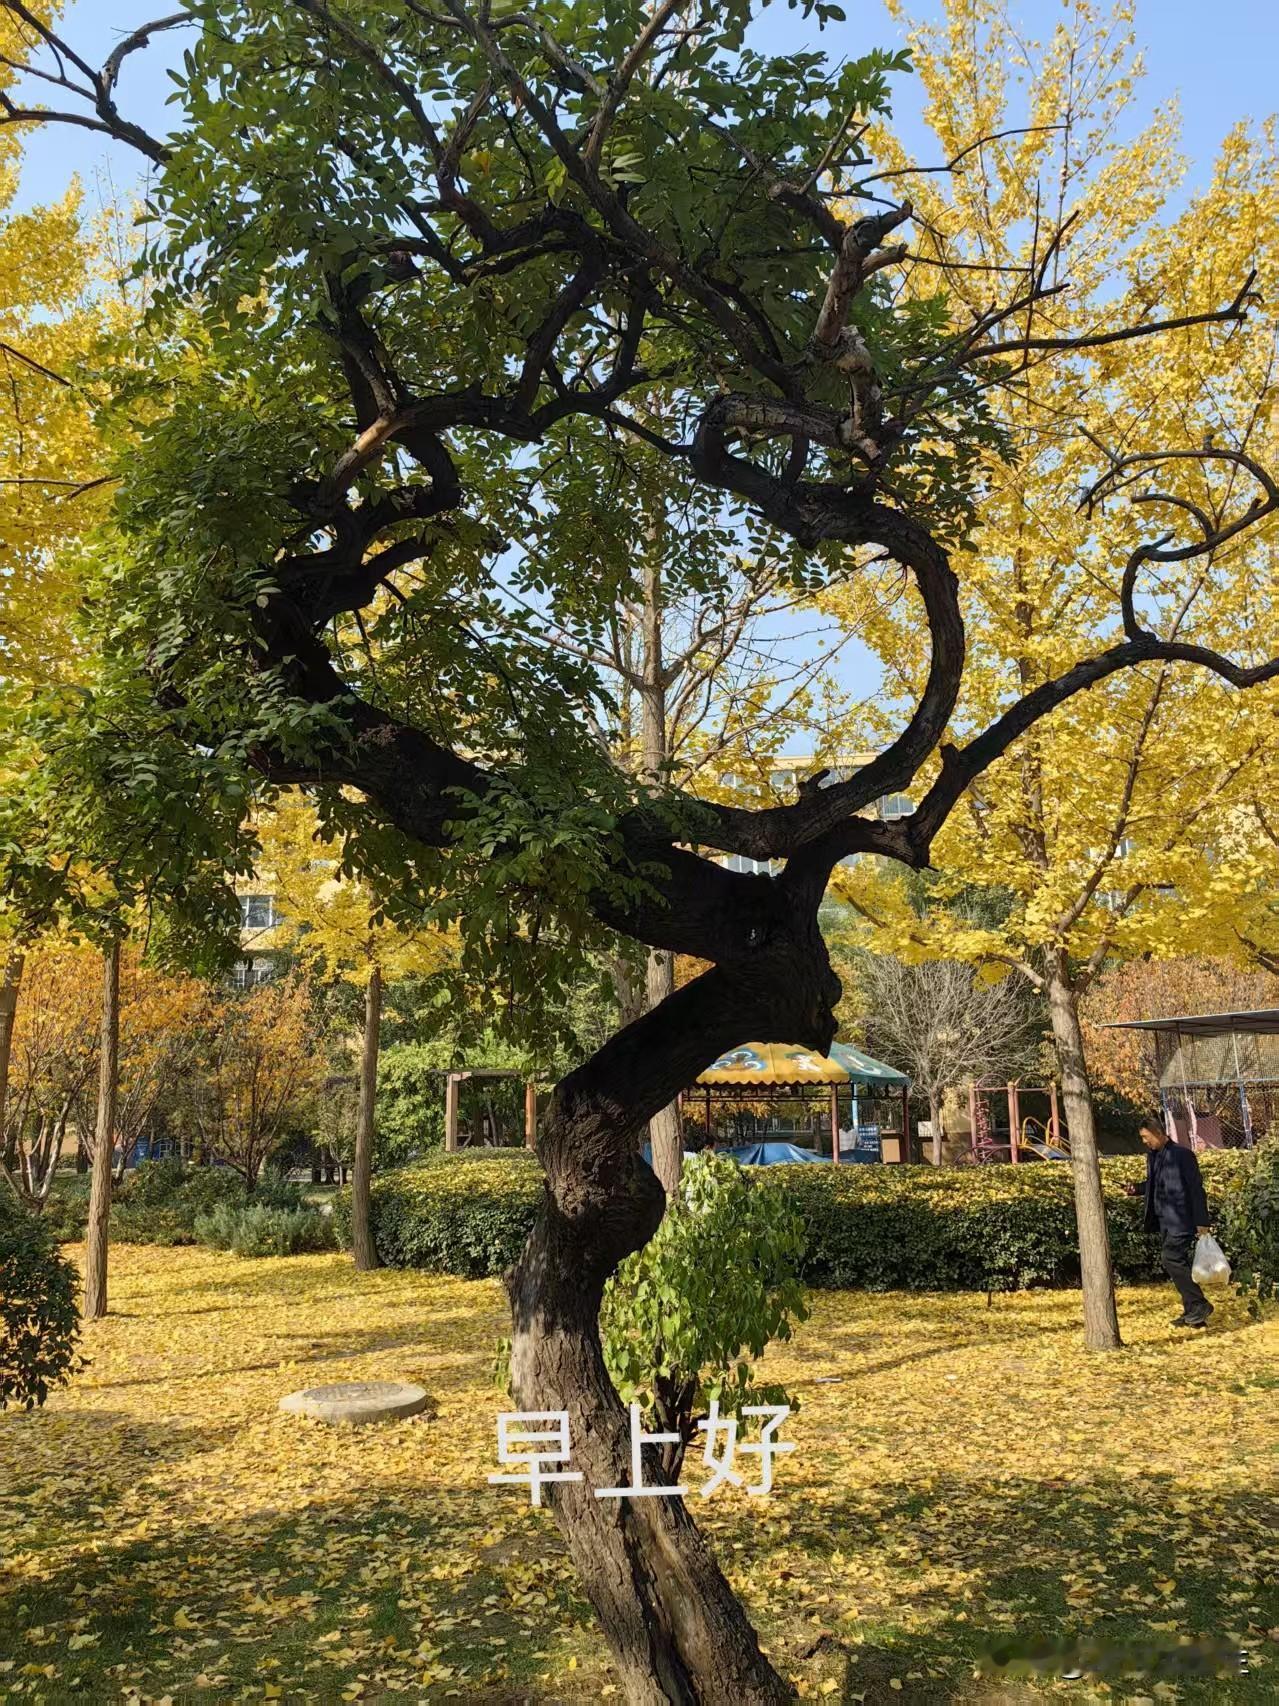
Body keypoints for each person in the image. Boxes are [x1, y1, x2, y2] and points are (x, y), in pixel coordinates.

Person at [1127, 1117, 1214, 1328]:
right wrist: (1136, 1189)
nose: (1144, 1142)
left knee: (1171, 1259)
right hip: (1163, 1220)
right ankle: (1194, 1315)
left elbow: (1195, 1189)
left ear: (1157, 1132)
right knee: (1178, 1262)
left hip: (1182, 1220)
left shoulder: (1183, 1155)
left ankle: (1199, 1304)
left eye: (1146, 1137)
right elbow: (1155, 1183)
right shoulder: (1154, 1156)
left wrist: (1202, 1221)